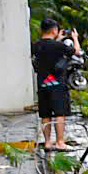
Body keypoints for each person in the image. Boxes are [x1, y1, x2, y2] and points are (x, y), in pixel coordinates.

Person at [31, 20, 80, 152]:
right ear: (54, 30)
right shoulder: (59, 46)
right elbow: (76, 52)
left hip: (42, 83)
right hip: (57, 83)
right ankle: (60, 141)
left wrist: (58, 39)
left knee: (45, 113)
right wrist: (74, 38)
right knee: (60, 112)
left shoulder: (36, 46)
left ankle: (47, 142)